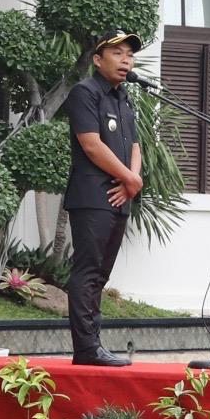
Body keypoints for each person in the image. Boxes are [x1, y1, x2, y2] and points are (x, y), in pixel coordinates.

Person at [62, 31, 146, 367]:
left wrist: (132, 181)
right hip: (92, 196)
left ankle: (92, 345)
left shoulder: (124, 97)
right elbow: (91, 144)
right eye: (117, 53)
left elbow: (135, 146)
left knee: (101, 275)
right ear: (98, 60)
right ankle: (86, 349)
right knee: (88, 270)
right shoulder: (85, 92)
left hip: (121, 195)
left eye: (130, 55)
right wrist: (129, 178)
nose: (126, 60)